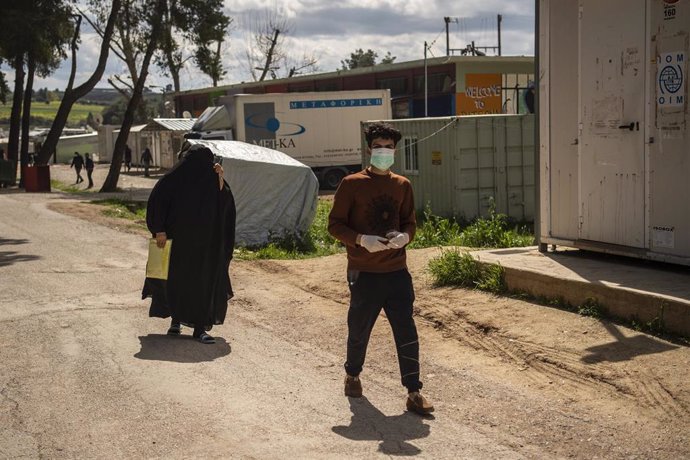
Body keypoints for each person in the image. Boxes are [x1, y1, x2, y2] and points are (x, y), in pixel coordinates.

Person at [328, 122, 434, 416]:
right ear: (368, 149)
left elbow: (410, 222)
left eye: (389, 147)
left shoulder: (403, 185)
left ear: (395, 150)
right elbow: (334, 224)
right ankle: (352, 374)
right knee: (359, 328)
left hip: (397, 271)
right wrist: (361, 239)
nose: (384, 151)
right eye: (378, 147)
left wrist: (406, 237)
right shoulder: (351, 184)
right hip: (364, 272)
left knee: (406, 330)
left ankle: (414, 392)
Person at [142, 145, 236, 344]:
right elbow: (157, 201)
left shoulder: (212, 179)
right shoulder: (174, 179)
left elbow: (224, 202)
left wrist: (220, 176)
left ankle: (200, 329)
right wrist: (159, 230)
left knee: (202, 285)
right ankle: (175, 322)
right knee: (177, 283)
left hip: (205, 247)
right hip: (177, 245)